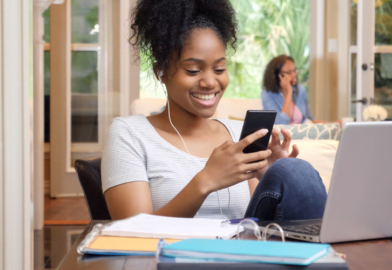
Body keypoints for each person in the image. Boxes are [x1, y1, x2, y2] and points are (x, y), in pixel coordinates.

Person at [101, 0, 327, 222]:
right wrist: (206, 180)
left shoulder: (241, 136)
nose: (210, 82)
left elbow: (257, 225)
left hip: (243, 255)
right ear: (160, 72)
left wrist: (271, 175)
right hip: (171, 256)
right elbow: (132, 234)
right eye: (192, 70)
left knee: (295, 171)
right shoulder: (129, 134)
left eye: (219, 68)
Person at [262, 55, 316, 124]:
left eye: (294, 70)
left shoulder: (300, 89)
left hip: (301, 132)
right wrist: (289, 92)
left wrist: (331, 125)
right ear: (278, 75)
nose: (294, 74)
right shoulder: (267, 93)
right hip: (281, 133)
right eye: (289, 72)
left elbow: (308, 119)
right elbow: (280, 123)